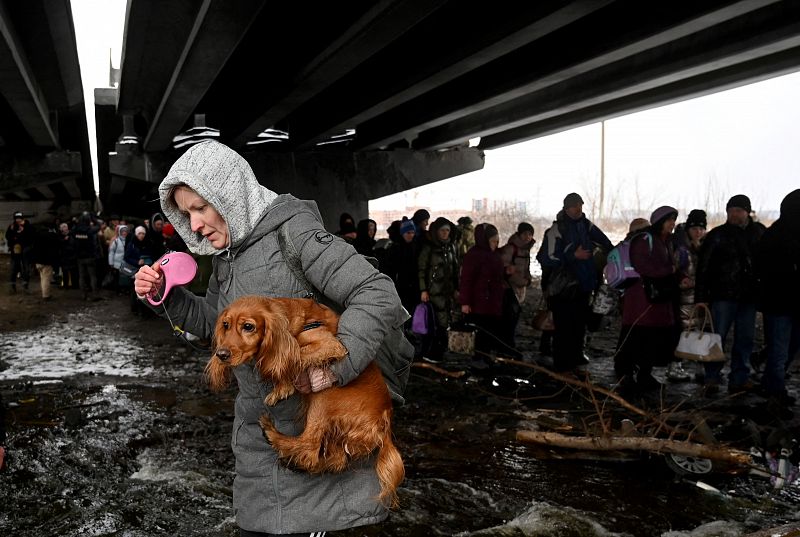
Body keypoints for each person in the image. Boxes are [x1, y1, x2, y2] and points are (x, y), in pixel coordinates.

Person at [133, 140, 412, 536]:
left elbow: (376, 293)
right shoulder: (227, 258)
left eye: (199, 208)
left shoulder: (294, 233)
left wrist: (334, 369)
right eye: (185, 213)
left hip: (322, 449)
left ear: (228, 195)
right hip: (259, 447)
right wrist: (165, 296)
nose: (193, 225)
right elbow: (217, 330)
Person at [695, 194, 765, 394]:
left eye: (738, 210)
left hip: (748, 296)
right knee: (717, 337)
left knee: (745, 338)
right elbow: (704, 268)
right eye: (731, 210)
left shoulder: (758, 233)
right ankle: (712, 377)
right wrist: (701, 297)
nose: (734, 214)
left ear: (747, 212)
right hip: (722, 295)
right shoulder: (718, 235)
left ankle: (739, 377)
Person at [537, 193, 613, 374]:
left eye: (579, 205)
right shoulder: (556, 230)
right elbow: (547, 257)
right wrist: (573, 256)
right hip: (562, 288)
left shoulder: (587, 226)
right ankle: (562, 363)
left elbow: (606, 244)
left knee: (579, 325)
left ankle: (576, 356)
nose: (577, 208)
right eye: (573, 206)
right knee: (563, 326)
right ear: (566, 208)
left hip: (584, 285)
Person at [615, 206, 684, 391]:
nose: (672, 224)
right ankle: (627, 375)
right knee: (636, 337)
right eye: (669, 220)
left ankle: (644, 374)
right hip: (641, 299)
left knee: (651, 339)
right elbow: (643, 266)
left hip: (656, 299)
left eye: (673, 220)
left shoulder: (665, 240)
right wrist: (669, 271)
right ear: (660, 221)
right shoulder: (646, 240)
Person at [754, 189, 800, 412]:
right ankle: (775, 391)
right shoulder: (775, 236)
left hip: (790, 302)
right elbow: (765, 268)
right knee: (779, 349)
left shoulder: (778, 234)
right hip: (779, 302)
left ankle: (772, 384)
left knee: (789, 348)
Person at [460, 223, 506, 367]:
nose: (496, 244)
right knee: (480, 331)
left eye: (497, 241)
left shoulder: (494, 255)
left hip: (492, 301)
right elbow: (466, 280)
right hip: (479, 302)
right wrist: (465, 302)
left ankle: (486, 357)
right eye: (493, 241)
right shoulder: (474, 255)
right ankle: (478, 358)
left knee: (490, 331)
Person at [671, 209, 707, 382]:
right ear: (688, 230)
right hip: (684, 299)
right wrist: (683, 281)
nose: (698, 232)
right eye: (694, 228)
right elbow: (673, 272)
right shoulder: (682, 251)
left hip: (701, 298)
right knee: (682, 332)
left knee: (701, 331)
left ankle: (701, 365)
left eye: (701, 228)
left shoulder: (705, 248)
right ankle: (675, 366)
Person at [417, 216, 459, 363]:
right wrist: (423, 290)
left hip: (447, 293)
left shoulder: (452, 247)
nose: (445, 233)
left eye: (447, 230)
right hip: (433, 293)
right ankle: (431, 353)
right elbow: (421, 270)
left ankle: (438, 352)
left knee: (445, 322)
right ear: (436, 231)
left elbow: (455, 270)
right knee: (434, 324)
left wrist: (456, 289)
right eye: (442, 230)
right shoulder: (428, 248)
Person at [499, 222, 535, 352]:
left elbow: (525, 268)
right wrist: (522, 281)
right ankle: (506, 345)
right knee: (509, 317)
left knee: (514, 316)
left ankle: (508, 343)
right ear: (519, 234)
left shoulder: (525, 250)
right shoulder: (511, 249)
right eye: (525, 233)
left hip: (520, 287)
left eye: (530, 234)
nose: (528, 237)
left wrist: (528, 279)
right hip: (510, 287)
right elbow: (505, 269)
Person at [72, 212, 101, 301]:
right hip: (90, 256)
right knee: (92, 276)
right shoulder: (90, 230)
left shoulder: (75, 229)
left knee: (81, 277)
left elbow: (72, 233)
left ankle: (83, 295)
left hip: (79, 257)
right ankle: (95, 294)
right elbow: (98, 226)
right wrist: (93, 217)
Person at [31, 220, 61, 301]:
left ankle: (44, 293)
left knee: (42, 278)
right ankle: (46, 295)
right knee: (46, 279)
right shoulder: (51, 235)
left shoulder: (37, 236)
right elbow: (57, 245)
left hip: (38, 261)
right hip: (47, 262)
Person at [6, 211, 34, 294]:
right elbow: (8, 237)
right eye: (16, 218)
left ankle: (25, 287)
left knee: (26, 270)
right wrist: (13, 241)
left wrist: (24, 230)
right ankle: (12, 287)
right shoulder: (12, 226)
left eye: (19, 218)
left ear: (22, 219)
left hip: (25, 252)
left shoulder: (28, 226)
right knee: (13, 269)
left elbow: (31, 237)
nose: (18, 220)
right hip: (15, 253)